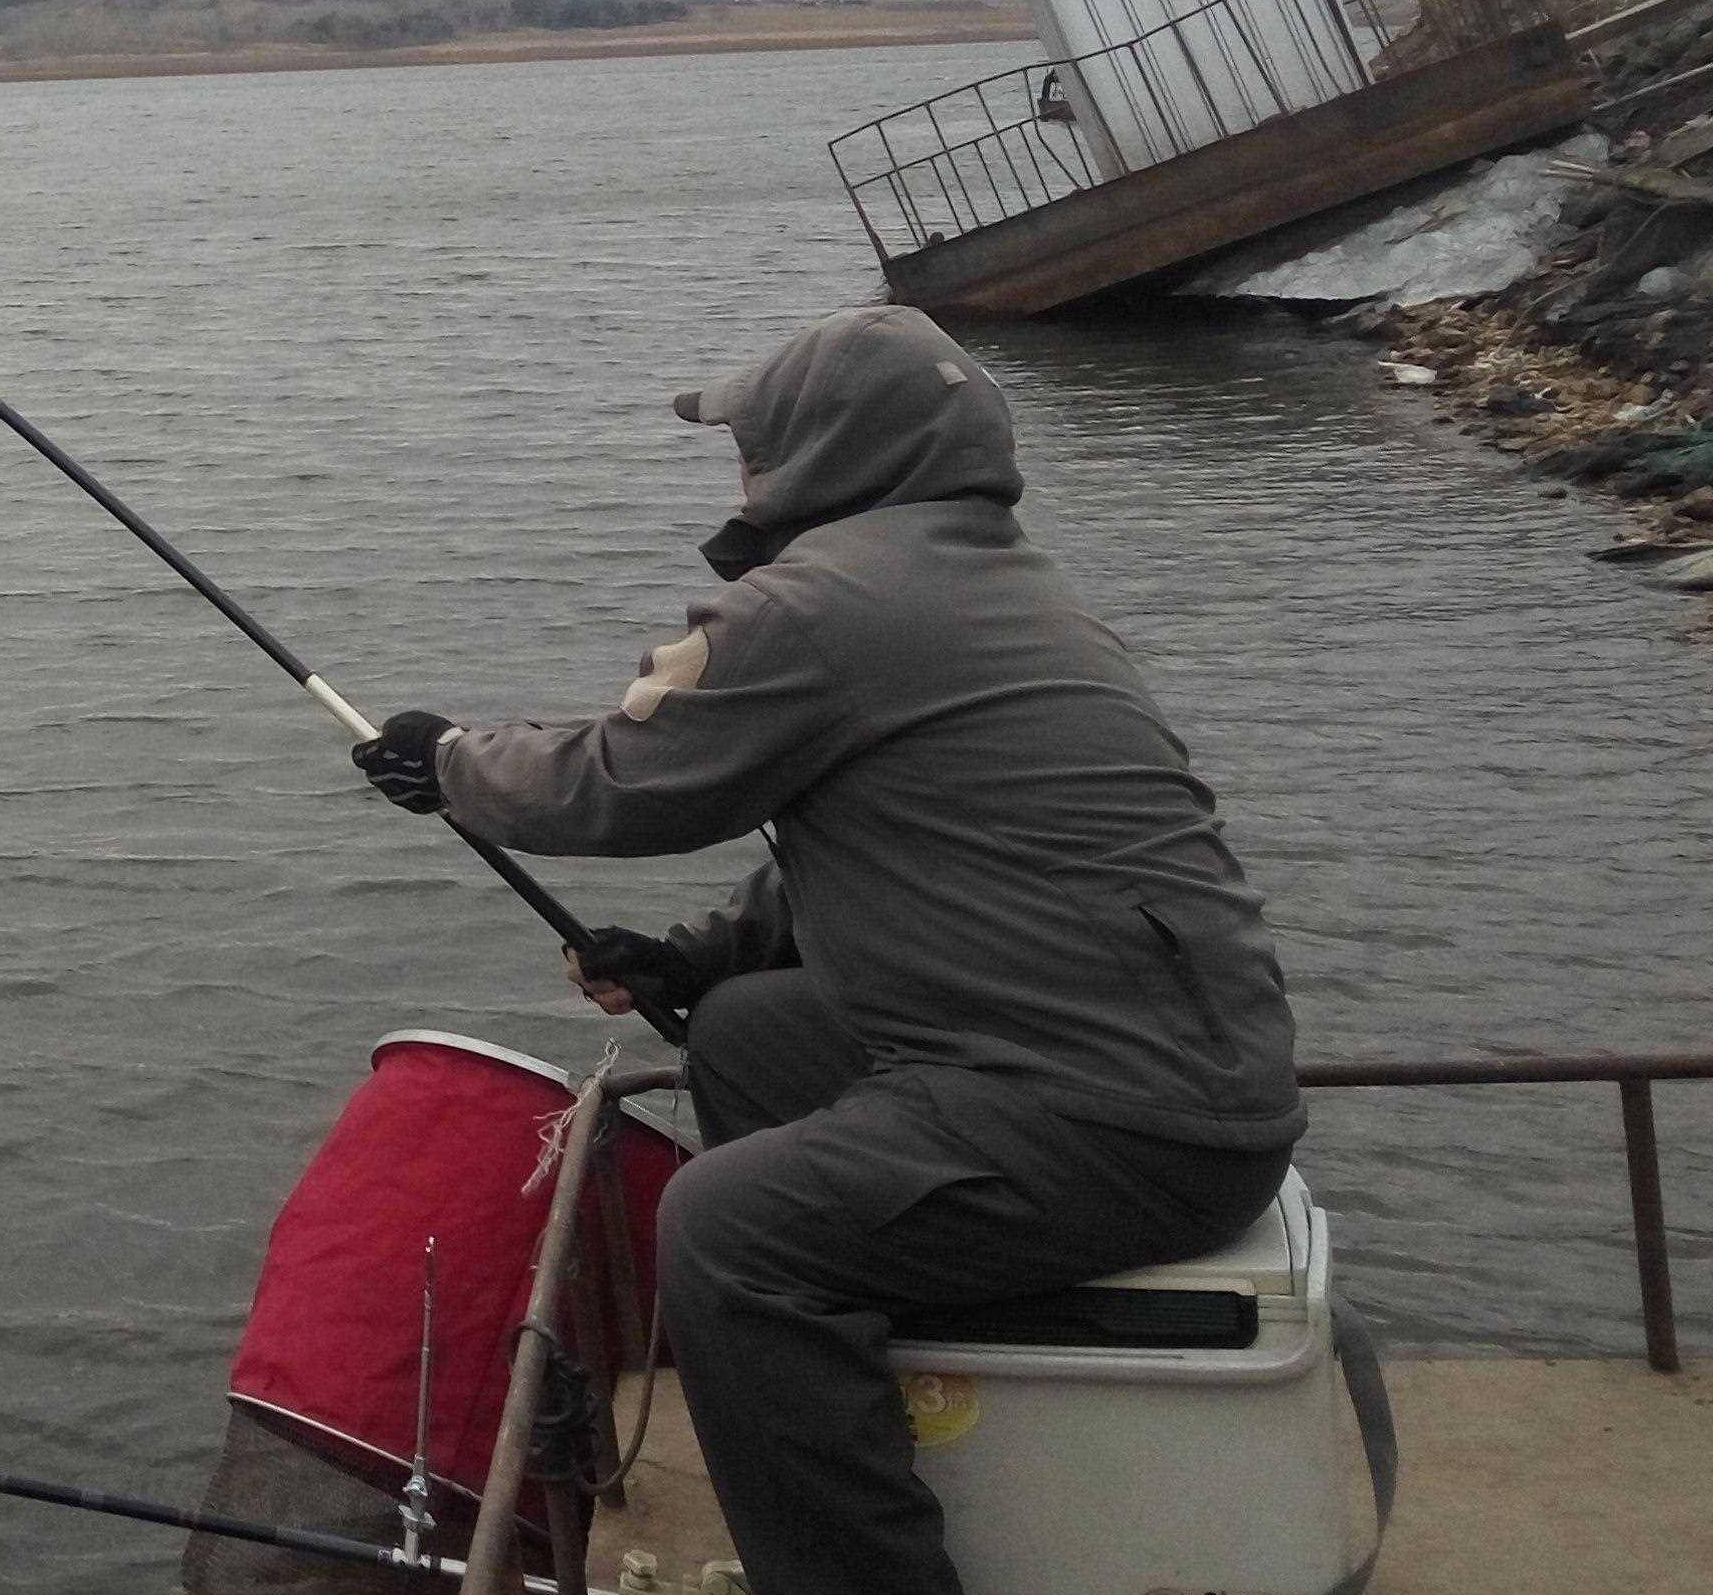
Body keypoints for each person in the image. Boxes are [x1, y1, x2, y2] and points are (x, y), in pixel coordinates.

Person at [350, 304, 1301, 1595]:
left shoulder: (827, 600)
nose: (739, 466)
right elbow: (893, 838)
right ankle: (860, 1390)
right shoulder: (1004, 583)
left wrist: (451, 760)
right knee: (746, 1027)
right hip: (1178, 1075)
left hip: (1121, 1116)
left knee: (727, 1231)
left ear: (824, 449)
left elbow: (630, 777)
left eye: (751, 439)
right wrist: (701, 957)